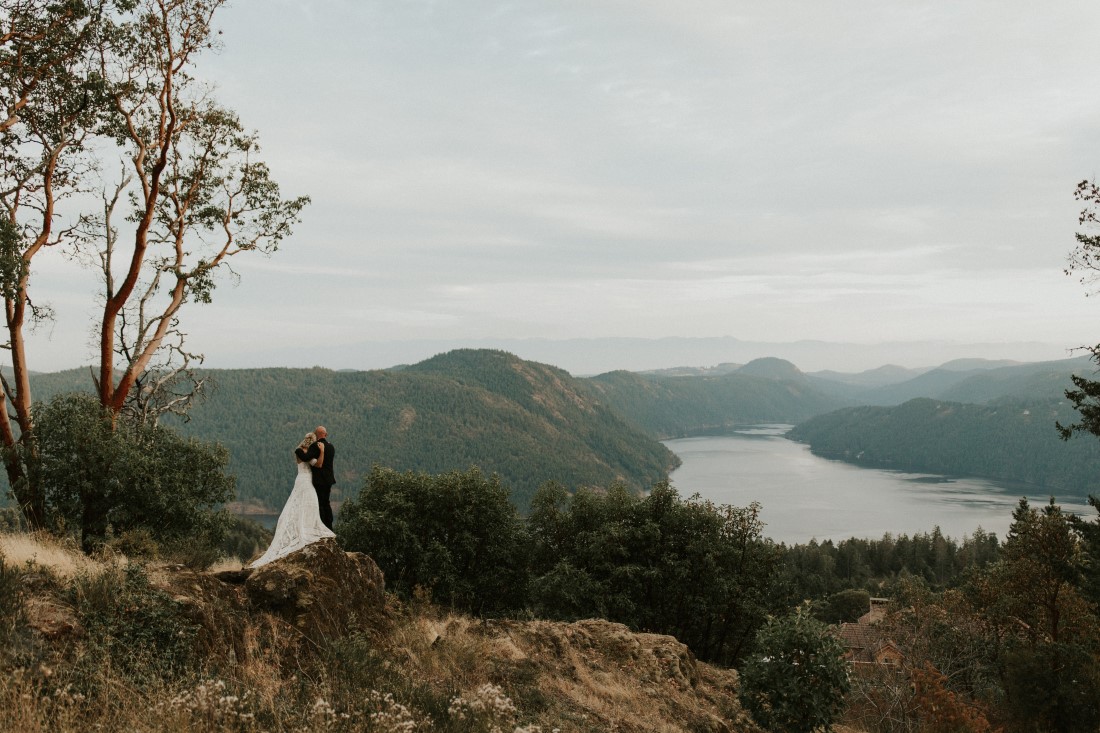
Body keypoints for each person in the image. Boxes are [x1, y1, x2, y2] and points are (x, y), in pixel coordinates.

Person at [249, 431, 335, 568]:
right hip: (307, 480)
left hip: (300, 479)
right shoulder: (308, 454)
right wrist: (322, 451)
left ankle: (304, 526)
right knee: (310, 504)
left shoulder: (299, 451)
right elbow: (318, 464)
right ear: (312, 442)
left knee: (300, 503)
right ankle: (306, 527)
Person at [297, 425, 336, 531]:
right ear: (326, 434)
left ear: (316, 434)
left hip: (319, 480)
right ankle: (330, 525)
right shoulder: (331, 446)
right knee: (326, 502)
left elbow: (306, 458)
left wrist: (298, 450)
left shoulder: (315, 446)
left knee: (320, 503)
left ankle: (322, 526)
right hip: (329, 479)